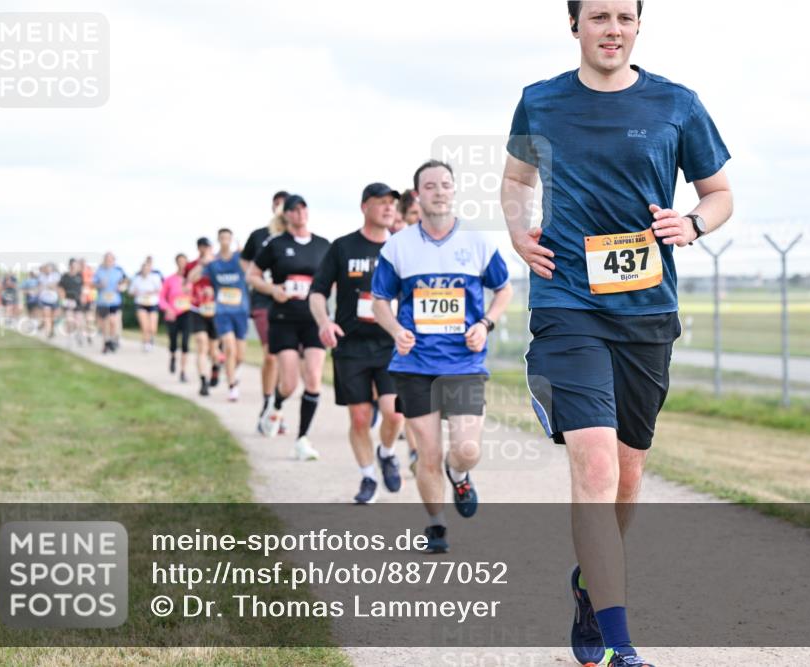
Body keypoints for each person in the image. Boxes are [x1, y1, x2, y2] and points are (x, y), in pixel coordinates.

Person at [501, 3, 734, 665]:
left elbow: (719, 192)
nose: (612, 27)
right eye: (597, 15)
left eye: (624, 16)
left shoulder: (677, 104)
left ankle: (588, 586)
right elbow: (518, 181)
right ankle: (621, 639)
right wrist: (521, 233)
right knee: (596, 464)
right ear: (573, 25)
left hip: (645, 314)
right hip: (567, 303)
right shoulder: (539, 102)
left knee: (628, 477)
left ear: (638, 26)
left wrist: (694, 223)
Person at [371, 160, 513, 553]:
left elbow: (504, 289)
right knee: (427, 453)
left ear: (454, 190)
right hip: (415, 365)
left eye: (445, 184)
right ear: (418, 194)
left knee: (467, 449)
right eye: (429, 185)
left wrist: (485, 323)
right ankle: (436, 525)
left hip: (465, 363)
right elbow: (380, 300)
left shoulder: (477, 241)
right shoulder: (398, 246)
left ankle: (460, 474)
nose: (438, 191)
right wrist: (396, 330)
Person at [310, 183, 407, 504]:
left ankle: (387, 452)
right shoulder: (342, 247)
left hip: (392, 345)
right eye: (381, 202)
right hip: (351, 346)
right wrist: (325, 322)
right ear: (365, 206)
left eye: (392, 203)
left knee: (394, 414)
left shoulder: (402, 247)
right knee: (360, 417)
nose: (389, 208)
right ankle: (367, 477)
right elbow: (318, 292)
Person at [247, 195, 330, 460]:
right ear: (286, 216)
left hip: (315, 320)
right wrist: (273, 289)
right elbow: (253, 275)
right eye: (293, 210)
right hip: (284, 319)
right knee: (290, 383)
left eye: (303, 207)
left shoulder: (323, 245)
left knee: (315, 377)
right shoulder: (276, 244)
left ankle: (302, 439)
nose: (299, 213)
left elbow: (334, 280)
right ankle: (276, 403)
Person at [242, 191, 289, 432]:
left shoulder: (298, 239)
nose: (281, 209)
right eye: (278, 204)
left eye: (286, 205)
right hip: (263, 301)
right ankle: (267, 401)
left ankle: (277, 407)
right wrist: (257, 279)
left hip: (290, 304)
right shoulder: (259, 236)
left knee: (286, 358)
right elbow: (245, 262)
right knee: (271, 355)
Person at [189, 229, 250, 402]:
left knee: (240, 355)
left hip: (241, 311)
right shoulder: (213, 262)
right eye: (221, 238)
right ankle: (232, 385)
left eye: (227, 238)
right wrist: (202, 263)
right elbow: (192, 278)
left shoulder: (239, 259)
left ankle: (232, 372)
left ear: (231, 240)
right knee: (229, 348)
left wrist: (247, 254)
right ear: (218, 240)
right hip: (222, 312)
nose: (224, 241)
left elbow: (254, 270)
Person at [185, 237, 221, 396]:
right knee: (201, 345)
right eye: (202, 247)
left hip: (215, 310)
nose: (205, 249)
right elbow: (190, 279)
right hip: (197, 309)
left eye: (207, 246)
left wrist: (214, 291)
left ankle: (215, 367)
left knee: (213, 349)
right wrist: (202, 264)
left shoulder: (218, 263)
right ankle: (203, 381)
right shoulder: (193, 265)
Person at [160, 253, 193, 382]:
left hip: (187, 313)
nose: (182, 264)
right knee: (173, 341)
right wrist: (167, 309)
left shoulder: (192, 280)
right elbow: (161, 297)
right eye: (180, 261)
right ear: (176, 263)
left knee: (185, 342)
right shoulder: (169, 279)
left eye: (184, 261)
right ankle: (173, 357)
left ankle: (183, 371)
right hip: (172, 314)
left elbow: (196, 295)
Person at [93, 252, 129, 353]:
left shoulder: (119, 270)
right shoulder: (99, 271)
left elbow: (126, 281)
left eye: (111, 260)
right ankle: (106, 342)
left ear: (114, 260)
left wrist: (121, 287)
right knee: (104, 324)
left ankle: (113, 340)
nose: (109, 261)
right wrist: (100, 285)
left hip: (115, 301)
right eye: (107, 259)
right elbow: (93, 284)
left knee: (113, 322)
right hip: (102, 301)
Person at [130, 258, 163, 352]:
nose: (145, 270)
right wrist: (136, 292)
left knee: (152, 327)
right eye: (144, 268)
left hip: (152, 303)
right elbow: (131, 291)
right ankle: (146, 343)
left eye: (147, 268)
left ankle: (151, 338)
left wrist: (151, 292)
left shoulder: (155, 277)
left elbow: (160, 289)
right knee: (145, 326)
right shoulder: (136, 279)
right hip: (141, 303)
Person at [58, 259, 86, 345]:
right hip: (68, 301)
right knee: (69, 320)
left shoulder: (80, 276)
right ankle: (69, 339)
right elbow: (60, 288)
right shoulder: (64, 276)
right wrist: (62, 298)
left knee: (79, 321)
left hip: (78, 301)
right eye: (73, 265)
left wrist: (83, 296)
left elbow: (83, 287)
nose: (75, 267)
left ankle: (79, 335)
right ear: (70, 266)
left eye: (76, 266)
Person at [37, 262, 61, 338]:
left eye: (49, 268)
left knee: (53, 318)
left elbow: (56, 285)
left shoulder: (56, 275)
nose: (47, 270)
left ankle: (51, 329)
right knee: (47, 316)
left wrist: (50, 285)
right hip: (44, 299)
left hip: (54, 299)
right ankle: (48, 332)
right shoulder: (41, 276)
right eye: (46, 269)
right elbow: (40, 286)